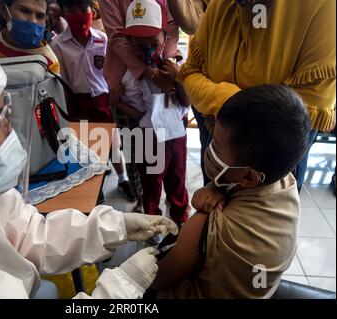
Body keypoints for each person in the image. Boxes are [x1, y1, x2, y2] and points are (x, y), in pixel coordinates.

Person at [0, 4, 179, 298]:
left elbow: (27, 233)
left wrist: (113, 227)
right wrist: (117, 292)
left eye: (6, 113)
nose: (9, 131)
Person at [151, 84, 312, 299]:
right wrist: (221, 189)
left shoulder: (205, 226)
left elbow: (159, 278)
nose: (209, 148)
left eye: (216, 145)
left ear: (247, 177)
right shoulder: (287, 183)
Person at [177, 0, 336, 191]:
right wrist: (227, 102)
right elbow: (189, 71)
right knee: (211, 202)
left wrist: (221, 101)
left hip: (271, 160)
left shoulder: (324, 7)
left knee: (260, 215)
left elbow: (301, 113)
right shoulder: (221, 4)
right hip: (217, 137)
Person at [111, 0, 191, 244]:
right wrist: (117, 102)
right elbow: (138, 113)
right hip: (148, 137)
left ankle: (179, 218)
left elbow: (187, 102)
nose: (147, 50)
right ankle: (152, 225)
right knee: (151, 182)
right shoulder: (132, 76)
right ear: (130, 43)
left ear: (165, 37)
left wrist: (179, 80)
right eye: (139, 44)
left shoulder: (177, 65)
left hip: (176, 134)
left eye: (153, 43)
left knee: (178, 178)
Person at [50, 0, 137, 202]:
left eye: (83, 8)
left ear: (93, 11)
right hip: (77, 101)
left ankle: (123, 179)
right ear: (64, 12)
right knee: (84, 148)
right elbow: (61, 79)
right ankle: (93, 189)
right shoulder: (58, 45)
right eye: (72, 9)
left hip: (104, 98)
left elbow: (113, 70)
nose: (79, 14)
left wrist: (115, 93)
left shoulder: (103, 39)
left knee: (112, 144)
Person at [0, 0, 60, 73]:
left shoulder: (49, 61)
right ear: (4, 9)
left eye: (40, 16)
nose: (33, 21)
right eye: (25, 11)